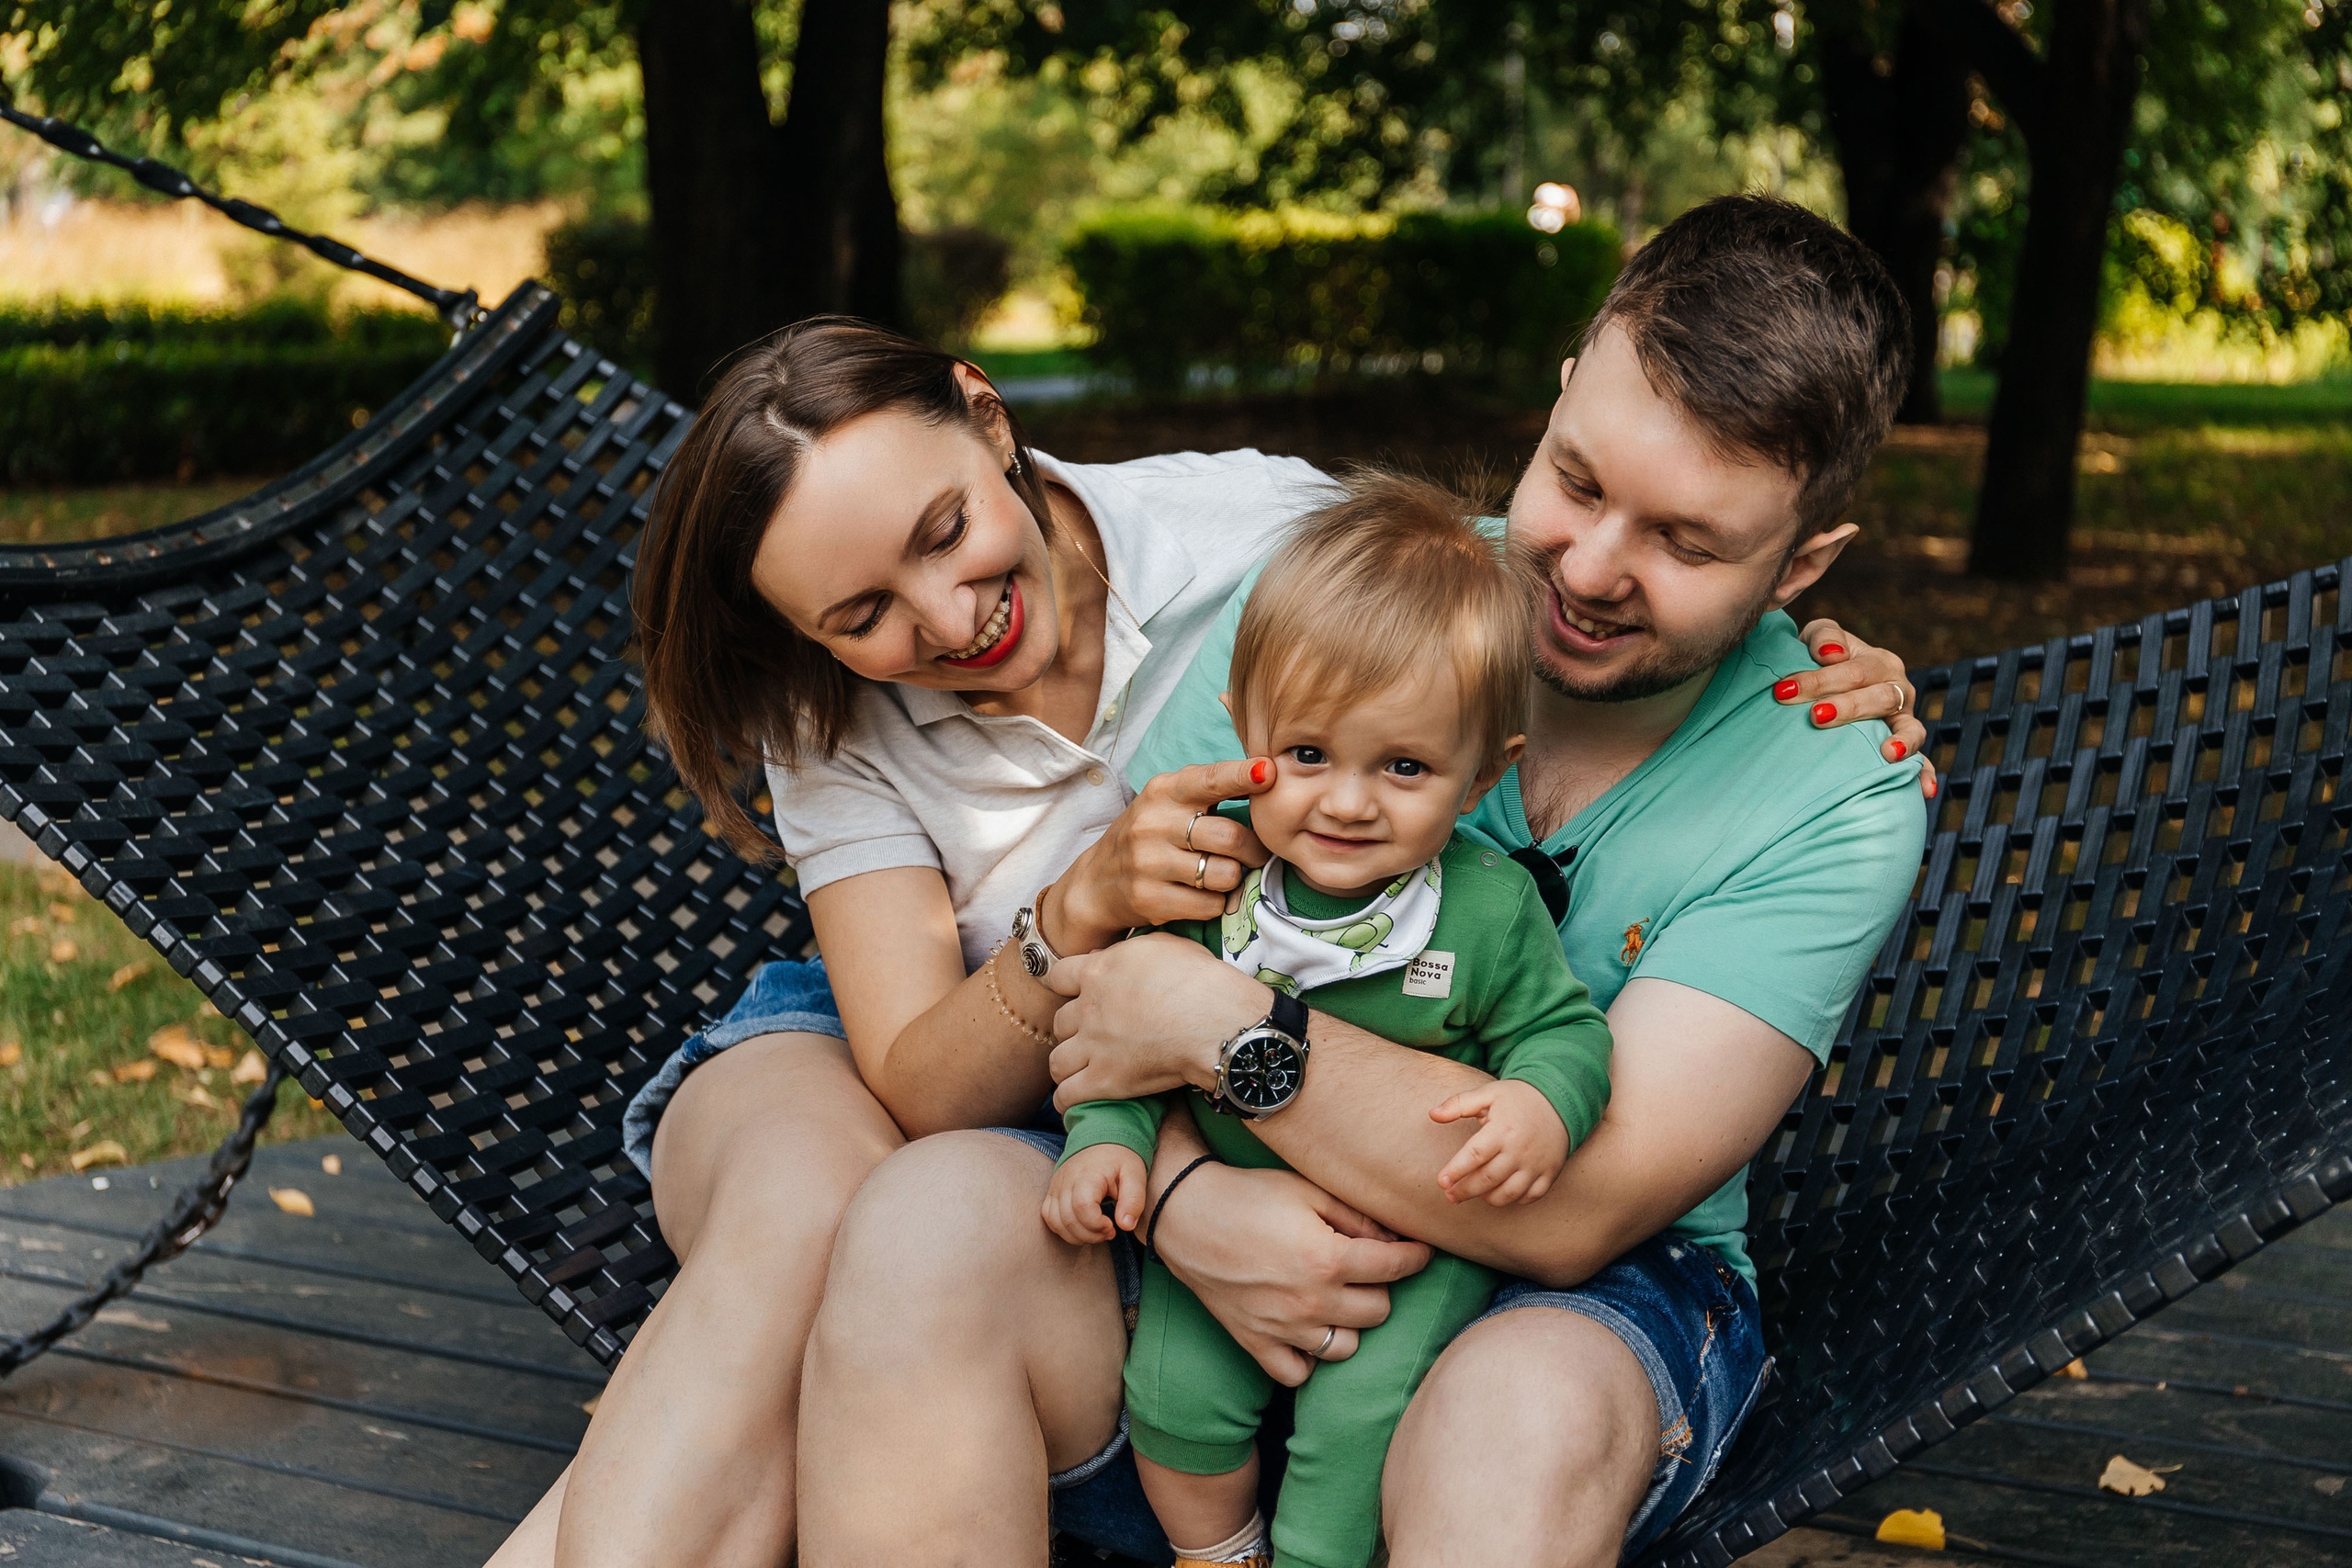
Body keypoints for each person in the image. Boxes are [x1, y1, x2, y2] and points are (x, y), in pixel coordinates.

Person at [484, 254, 1922, 1565]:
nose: (1593, 567)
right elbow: (1093, 1005)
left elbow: (1573, 1209)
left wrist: (1223, 1029)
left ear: (1799, 565)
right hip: (1134, 1178)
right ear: (1552, 408)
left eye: (1688, 541)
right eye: (1579, 482)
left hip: (1581, 1290)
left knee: (1517, 1421)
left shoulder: (1833, 781)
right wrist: (1175, 1187)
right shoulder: (1345, 592)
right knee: (890, 1218)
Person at [1044, 476, 1616, 1568]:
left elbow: (1564, 1032)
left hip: (1410, 1239)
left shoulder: (1484, 908)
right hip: (1221, 1205)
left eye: (1402, 767)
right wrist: (1104, 1147)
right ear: (1248, 729)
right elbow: (1127, 1038)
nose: (1347, 802)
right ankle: (1218, 1557)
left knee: (1356, 1427)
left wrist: (1543, 1101)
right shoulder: (1212, 876)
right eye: (1307, 756)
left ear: (1480, 773)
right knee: (1174, 1398)